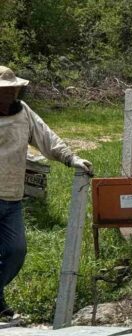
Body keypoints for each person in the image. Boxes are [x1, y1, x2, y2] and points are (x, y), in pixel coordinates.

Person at [0, 66, 93, 319]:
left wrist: (70, 158)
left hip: (11, 198)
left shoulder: (23, 113)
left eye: (12, 90)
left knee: (16, 252)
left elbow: (46, 136)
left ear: (18, 89)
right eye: (3, 91)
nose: (8, 95)